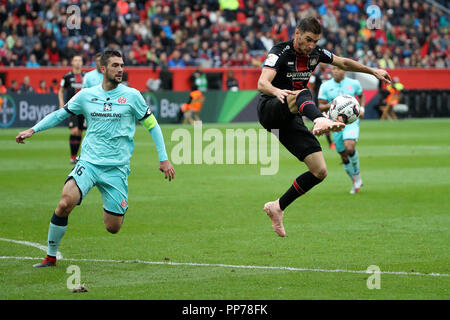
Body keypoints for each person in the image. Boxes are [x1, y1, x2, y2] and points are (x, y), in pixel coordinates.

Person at [16, 50, 175, 268]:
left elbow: (152, 126)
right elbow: (60, 114)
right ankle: (50, 256)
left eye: (122, 65)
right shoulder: (86, 95)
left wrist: (163, 159)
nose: (120, 69)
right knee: (64, 203)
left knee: (113, 227)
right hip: (89, 163)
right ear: (102, 69)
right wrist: (33, 130)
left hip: (117, 169)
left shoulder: (132, 96)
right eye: (115, 65)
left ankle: (119, 203)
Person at [257, 17, 391, 237]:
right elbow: (262, 82)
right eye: (308, 39)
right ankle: (320, 119)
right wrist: (276, 91)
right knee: (301, 92)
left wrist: (373, 71)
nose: (311, 45)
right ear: (297, 33)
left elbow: (343, 63)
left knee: (319, 171)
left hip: (291, 116)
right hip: (270, 107)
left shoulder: (315, 54)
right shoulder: (279, 51)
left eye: (315, 41)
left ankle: (277, 207)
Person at [318, 65, 365, 194]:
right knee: (343, 155)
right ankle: (355, 180)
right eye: (333, 69)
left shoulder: (354, 83)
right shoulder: (325, 86)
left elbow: (361, 96)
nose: (335, 71)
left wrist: (361, 109)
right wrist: (334, 105)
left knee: (349, 147)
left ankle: (356, 173)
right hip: (334, 124)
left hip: (351, 122)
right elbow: (320, 106)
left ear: (344, 71)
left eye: (338, 69)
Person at [58, 55, 85, 164]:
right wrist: (61, 103)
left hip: (83, 109)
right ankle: (72, 156)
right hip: (72, 108)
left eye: (79, 60)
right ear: (72, 62)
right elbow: (61, 90)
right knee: (73, 131)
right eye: (75, 60)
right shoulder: (67, 77)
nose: (78, 62)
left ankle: (75, 157)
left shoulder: (86, 77)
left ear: (82, 63)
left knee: (79, 132)